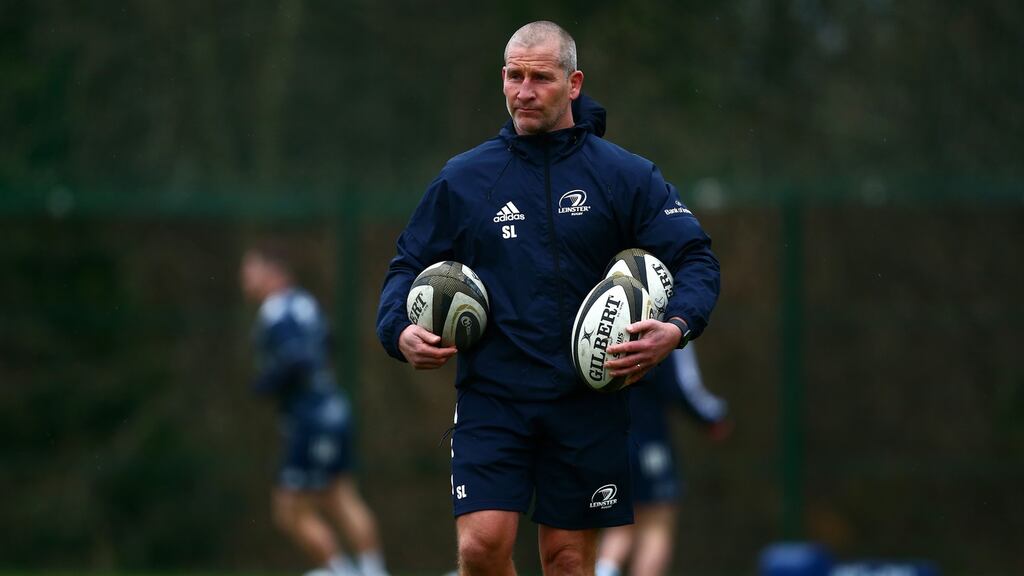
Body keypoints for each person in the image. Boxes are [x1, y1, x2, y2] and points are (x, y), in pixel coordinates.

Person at [376, 21, 720, 576]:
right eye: (514, 76)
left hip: (586, 399)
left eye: (540, 77)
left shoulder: (623, 175)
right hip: (494, 396)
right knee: (481, 547)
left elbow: (696, 259)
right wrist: (398, 330)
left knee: (565, 560)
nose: (524, 91)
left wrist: (676, 327)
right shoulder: (466, 179)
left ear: (574, 83)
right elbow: (406, 266)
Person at [241, 246, 390, 576]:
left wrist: (269, 382)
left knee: (289, 509)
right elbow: (328, 341)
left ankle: (341, 572)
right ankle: (369, 570)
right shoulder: (305, 303)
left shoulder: (276, 312)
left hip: (311, 418)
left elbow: (299, 359)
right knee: (339, 496)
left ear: (272, 273)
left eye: (251, 271)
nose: (245, 280)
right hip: (333, 409)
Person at [595, 346, 731, 576]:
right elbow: (683, 386)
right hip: (648, 442)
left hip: (606, 441)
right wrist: (713, 417)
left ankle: (603, 570)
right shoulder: (666, 319)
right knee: (656, 525)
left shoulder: (597, 315)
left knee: (619, 526)